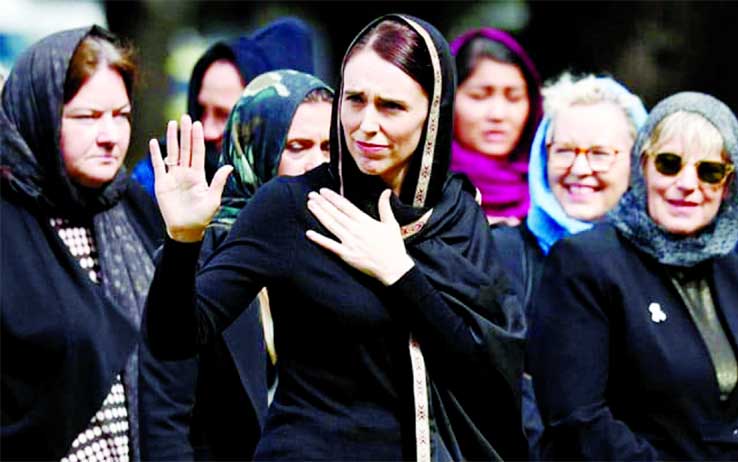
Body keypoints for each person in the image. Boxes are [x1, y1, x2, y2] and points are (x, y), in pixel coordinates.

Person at [144, 14, 527, 461]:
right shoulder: (291, 205)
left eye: (391, 107)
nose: (365, 125)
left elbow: (488, 376)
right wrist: (183, 239)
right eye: (354, 100)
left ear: (432, 114)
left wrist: (401, 275)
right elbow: (176, 338)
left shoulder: (456, 215)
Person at [528, 92, 738, 461]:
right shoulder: (587, 261)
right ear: (641, 168)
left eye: (709, 171)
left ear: (727, 187)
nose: (687, 184)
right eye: (669, 164)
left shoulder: (737, 275)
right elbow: (577, 419)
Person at [140, 69, 334, 460]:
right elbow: (166, 424)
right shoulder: (197, 257)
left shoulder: (352, 246)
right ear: (256, 148)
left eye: (329, 147)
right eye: (296, 146)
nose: (317, 164)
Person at [1, 26, 164, 460]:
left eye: (122, 115)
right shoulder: (10, 223)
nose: (110, 135)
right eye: (87, 117)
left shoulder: (133, 208)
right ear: (39, 114)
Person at [491, 72, 647, 460]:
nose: (579, 169)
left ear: (637, 163)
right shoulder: (503, 253)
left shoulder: (658, 264)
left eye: (599, 153)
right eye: (563, 151)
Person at [131, 16, 318, 197]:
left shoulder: (322, 186)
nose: (207, 131)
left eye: (224, 116)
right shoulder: (159, 180)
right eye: (201, 110)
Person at [450, 28, 543, 226]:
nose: (498, 114)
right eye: (479, 96)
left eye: (514, 97)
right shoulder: (418, 193)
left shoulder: (553, 193)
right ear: (447, 100)